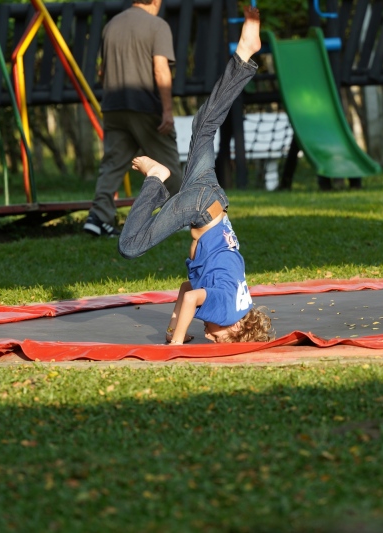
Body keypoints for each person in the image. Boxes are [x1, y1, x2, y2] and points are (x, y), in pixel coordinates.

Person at [118, 6, 274, 345]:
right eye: (219, 340)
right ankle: (156, 178)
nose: (211, 338)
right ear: (235, 328)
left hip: (211, 200)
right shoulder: (228, 313)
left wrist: (174, 332)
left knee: (204, 125)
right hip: (200, 207)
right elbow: (192, 300)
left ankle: (245, 56)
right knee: (131, 246)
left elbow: (189, 288)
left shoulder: (238, 303)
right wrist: (175, 350)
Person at [83, 0, 182, 238]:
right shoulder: (157, 26)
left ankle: (99, 216)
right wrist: (167, 111)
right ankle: (183, 215)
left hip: (114, 106)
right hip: (145, 106)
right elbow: (160, 69)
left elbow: (102, 71)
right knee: (168, 160)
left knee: (113, 163)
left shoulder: (112, 25)